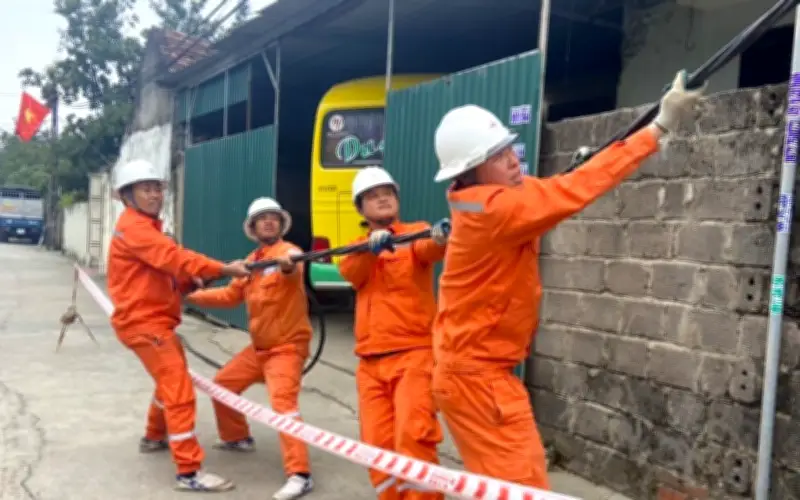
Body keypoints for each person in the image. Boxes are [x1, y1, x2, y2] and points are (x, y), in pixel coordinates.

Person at [429, 70, 706, 489]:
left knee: (504, 488)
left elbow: (555, 187)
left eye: (509, 149)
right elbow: (571, 191)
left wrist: (592, 162)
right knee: (523, 490)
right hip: (477, 379)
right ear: (470, 170)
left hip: (471, 372)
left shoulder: (475, 202)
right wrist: (659, 127)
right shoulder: (499, 210)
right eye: (497, 156)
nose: (513, 160)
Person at [107, 159, 250, 492]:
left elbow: (165, 273)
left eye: (157, 188)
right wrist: (223, 269)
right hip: (146, 324)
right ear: (127, 195)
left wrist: (191, 281)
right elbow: (175, 258)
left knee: (169, 382)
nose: (154, 195)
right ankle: (189, 472)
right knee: (179, 392)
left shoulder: (145, 228)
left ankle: (154, 436)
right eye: (146, 189)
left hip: (150, 322)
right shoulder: (136, 228)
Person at [185, 197, 314, 500]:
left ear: (281, 225)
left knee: (284, 407)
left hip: (287, 347)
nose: (268, 222)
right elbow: (230, 296)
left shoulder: (288, 252)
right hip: (259, 349)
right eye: (262, 218)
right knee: (223, 386)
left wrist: (288, 267)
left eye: (273, 218)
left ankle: (300, 474)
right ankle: (237, 438)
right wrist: (191, 296)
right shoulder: (251, 261)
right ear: (253, 228)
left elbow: (294, 267)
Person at [338, 166, 450, 500]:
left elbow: (431, 247)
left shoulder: (414, 234)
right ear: (361, 209)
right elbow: (353, 274)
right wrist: (371, 250)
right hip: (370, 363)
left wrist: (441, 236)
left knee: (414, 437)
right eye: (373, 196)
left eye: (387, 193)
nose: (383, 198)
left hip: (414, 356)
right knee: (376, 446)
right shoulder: (356, 248)